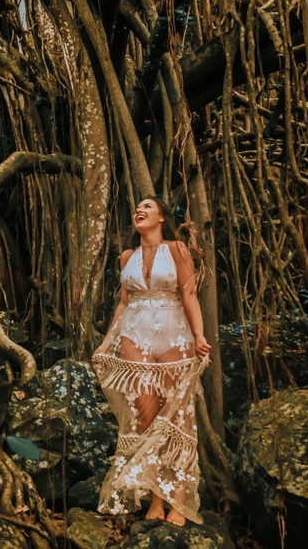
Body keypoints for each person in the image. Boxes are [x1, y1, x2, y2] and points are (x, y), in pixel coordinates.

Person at [92, 196, 212, 525]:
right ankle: (156, 499)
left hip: (174, 335)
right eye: (137, 208)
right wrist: (106, 342)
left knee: (178, 418)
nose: (139, 211)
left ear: (161, 217)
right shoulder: (126, 257)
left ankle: (179, 501)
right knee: (146, 417)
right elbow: (123, 303)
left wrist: (199, 335)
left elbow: (189, 294)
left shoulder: (177, 249)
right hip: (134, 335)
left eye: (147, 207)